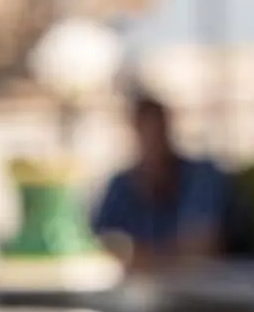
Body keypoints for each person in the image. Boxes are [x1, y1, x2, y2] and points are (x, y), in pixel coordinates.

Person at [92, 94, 235, 274]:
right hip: (137, 292)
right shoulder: (120, 185)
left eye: (157, 130)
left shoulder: (203, 176)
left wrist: (141, 255)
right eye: (145, 131)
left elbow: (204, 246)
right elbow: (100, 246)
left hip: (204, 288)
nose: (152, 140)